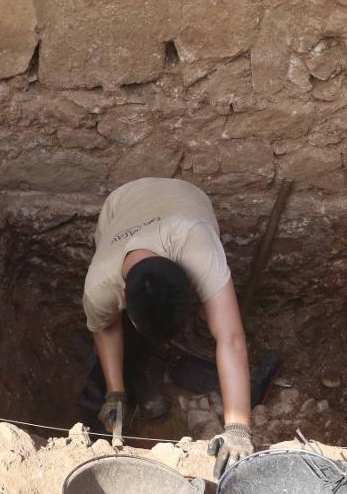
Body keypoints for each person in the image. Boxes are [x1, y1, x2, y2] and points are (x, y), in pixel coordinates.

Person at [81, 177, 254, 477]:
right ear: (123, 297)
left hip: (188, 198)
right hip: (123, 202)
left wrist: (238, 428)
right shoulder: (99, 285)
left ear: (190, 281)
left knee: (220, 310)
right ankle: (134, 372)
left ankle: (150, 358)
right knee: (122, 340)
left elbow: (231, 338)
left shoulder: (200, 248)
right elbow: (106, 328)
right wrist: (115, 393)